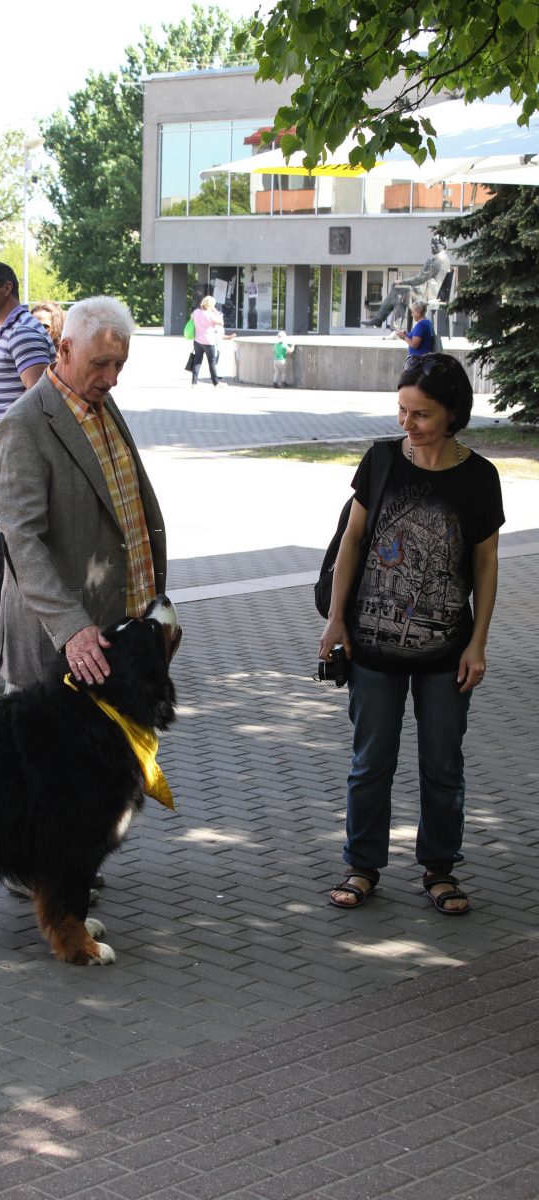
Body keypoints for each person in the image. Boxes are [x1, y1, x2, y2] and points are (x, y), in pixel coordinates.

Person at [319, 354, 504, 915]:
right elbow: (352, 540)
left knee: (443, 766)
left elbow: (486, 564)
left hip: (447, 653)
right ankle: (362, 865)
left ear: (452, 414)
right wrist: (336, 618)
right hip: (372, 648)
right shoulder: (380, 461)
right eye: (402, 410)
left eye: (420, 413)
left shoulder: (479, 477)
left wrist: (478, 643)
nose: (407, 423)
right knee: (370, 763)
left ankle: (440, 868)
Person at [0, 295, 166, 691]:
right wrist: (70, 626)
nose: (112, 378)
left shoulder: (102, 401)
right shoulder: (25, 423)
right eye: (100, 363)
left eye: (119, 364)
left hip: (120, 634)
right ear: (66, 350)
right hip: (61, 651)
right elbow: (21, 540)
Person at [0, 263, 54, 543]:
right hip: (9, 452)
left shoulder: (22, 332)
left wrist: (1, 435)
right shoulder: (13, 330)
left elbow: (40, 395)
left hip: (18, 455)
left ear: (7, 288)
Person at [361, 235, 451, 327]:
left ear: (443, 244)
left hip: (427, 294)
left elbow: (419, 279)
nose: (432, 246)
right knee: (401, 293)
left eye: (435, 243)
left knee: (397, 289)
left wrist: (401, 282)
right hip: (430, 292)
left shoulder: (437, 260)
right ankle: (390, 323)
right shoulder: (446, 259)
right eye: (431, 243)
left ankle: (380, 320)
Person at [190, 295, 225, 387]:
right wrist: (216, 312)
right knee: (211, 363)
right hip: (209, 342)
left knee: (197, 361)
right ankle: (216, 383)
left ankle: (194, 383)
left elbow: (191, 318)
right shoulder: (210, 314)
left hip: (197, 340)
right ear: (211, 305)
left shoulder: (196, 312)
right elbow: (221, 323)